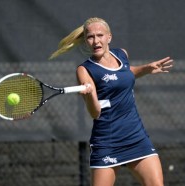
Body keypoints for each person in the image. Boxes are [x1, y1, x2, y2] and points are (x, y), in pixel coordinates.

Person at [49, 17, 173, 186]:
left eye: (100, 35)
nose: (95, 41)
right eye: (90, 37)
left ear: (109, 37)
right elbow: (95, 112)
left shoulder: (122, 54)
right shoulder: (84, 70)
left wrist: (146, 69)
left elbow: (125, 74)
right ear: (85, 41)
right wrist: (91, 94)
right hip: (107, 141)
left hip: (136, 136)